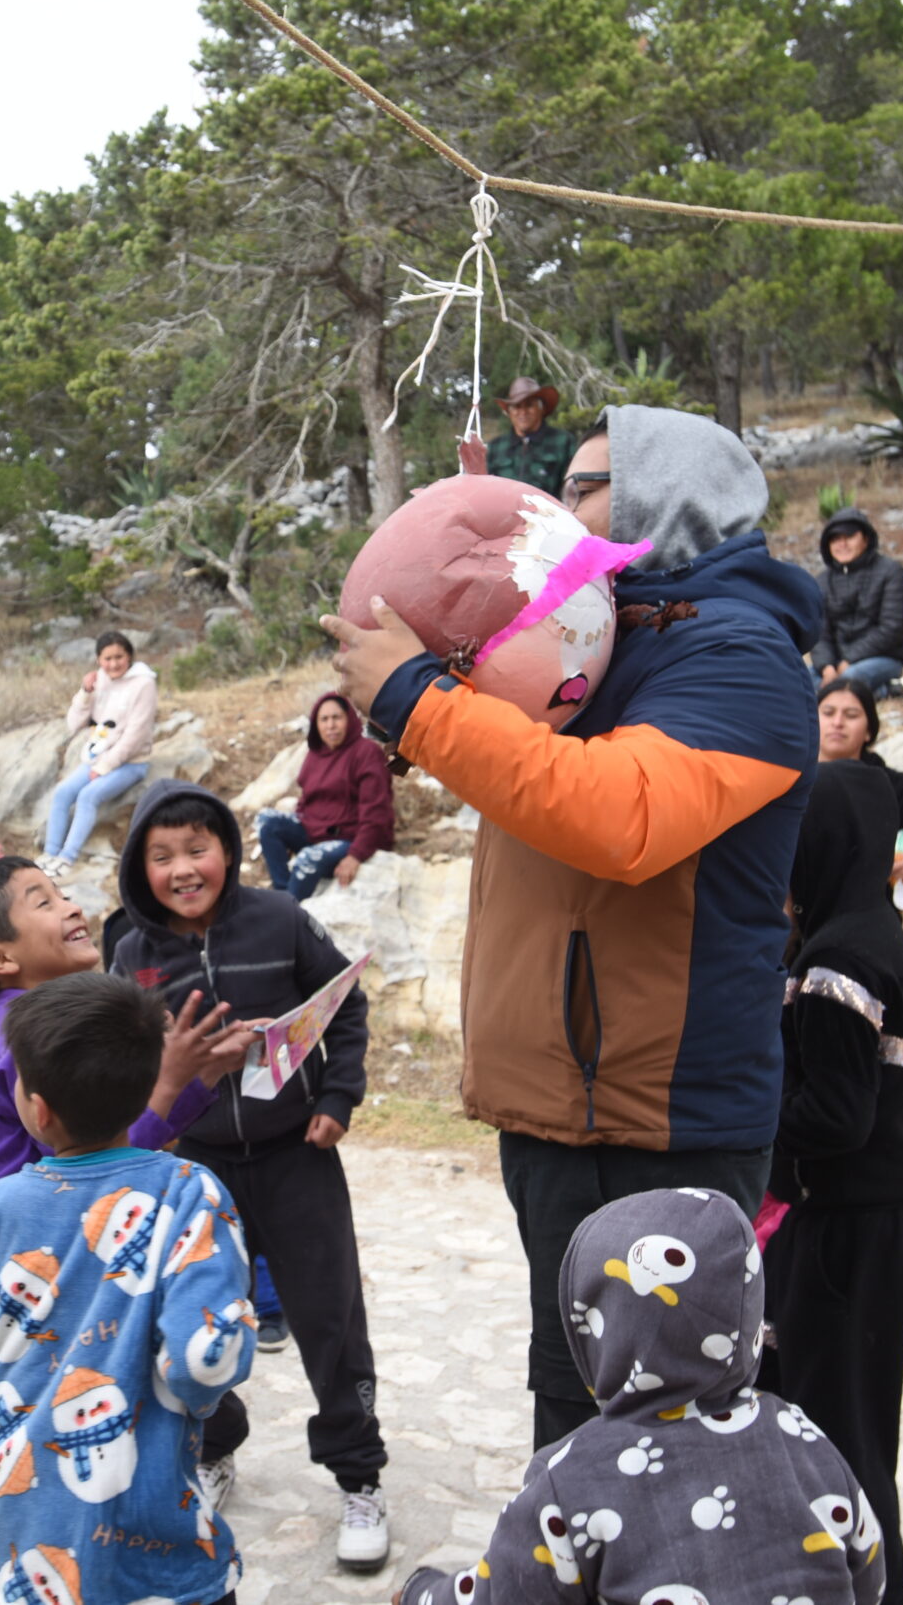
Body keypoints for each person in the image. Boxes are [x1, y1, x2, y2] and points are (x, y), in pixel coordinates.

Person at [323, 404, 821, 1451]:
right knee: (573, 1402)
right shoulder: (599, 641)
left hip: (654, 1114)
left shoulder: (741, 656)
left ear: (662, 502)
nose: (556, 506)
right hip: (564, 1106)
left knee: (658, 1431)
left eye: (586, 485)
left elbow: (621, 819)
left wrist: (417, 699)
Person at [110, 781, 391, 1570]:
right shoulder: (131, 955)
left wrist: (337, 1096)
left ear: (228, 851)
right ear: (141, 867)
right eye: (161, 856)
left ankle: (358, 1475)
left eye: (197, 848)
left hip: (296, 1154)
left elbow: (346, 1004)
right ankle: (214, 1447)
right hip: (195, 1169)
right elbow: (125, 1058)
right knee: (194, 1322)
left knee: (330, 1321)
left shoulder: (281, 921)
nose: (182, 868)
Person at [396, 1189, 884, 1605]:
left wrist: (423, 1591)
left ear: (596, 1329)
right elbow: (869, 1573)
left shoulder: (570, 1480)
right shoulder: (802, 1438)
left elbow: (504, 1592)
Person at [0, 973, 255, 1605]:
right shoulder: (189, 1190)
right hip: (155, 1547)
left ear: (36, 1108)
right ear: (147, 1087)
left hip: (23, 1541)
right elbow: (203, 1359)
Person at [765, 758, 903, 1605]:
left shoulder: (838, 960)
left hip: (847, 1222)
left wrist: (748, 1122)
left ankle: (876, 1588)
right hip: (884, 1212)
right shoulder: (874, 932)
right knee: (856, 1415)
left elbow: (836, 1117)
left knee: (838, 1428)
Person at [0, 855, 246, 1218]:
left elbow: (118, 1130)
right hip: (30, 1245)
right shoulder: (27, 1041)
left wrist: (200, 1074)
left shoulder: (60, 1019)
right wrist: (171, 1082)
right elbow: (93, 1166)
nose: (71, 908)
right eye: (44, 903)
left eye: (63, 894)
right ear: (0, 959)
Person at [814, 678, 903, 902]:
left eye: (851, 715)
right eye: (828, 713)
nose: (837, 722)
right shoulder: (788, 778)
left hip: (868, 916)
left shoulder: (893, 786)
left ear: (868, 731)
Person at [40, 632, 159, 877]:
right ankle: (50, 854)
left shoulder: (144, 684)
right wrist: (85, 692)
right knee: (62, 792)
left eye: (119, 657)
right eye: (107, 659)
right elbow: (74, 724)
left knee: (87, 796)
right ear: (98, 660)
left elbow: (135, 736)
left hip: (131, 762)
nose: (114, 664)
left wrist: (104, 767)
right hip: (97, 756)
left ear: (130, 657)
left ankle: (66, 858)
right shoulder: (99, 680)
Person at [254, 692, 394, 900]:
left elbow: (377, 813)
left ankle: (290, 915)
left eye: (337, 718)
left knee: (308, 859)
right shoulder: (315, 754)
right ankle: (283, 895)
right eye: (324, 719)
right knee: (266, 821)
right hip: (316, 831)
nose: (331, 725)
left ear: (350, 719)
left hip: (350, 838)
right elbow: (306, 800)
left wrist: (355, 856)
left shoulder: (367, 753)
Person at [810, 508, 903, 698]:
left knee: (848, 680)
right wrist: (826, 667)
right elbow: (820, 633)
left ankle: (882, 689)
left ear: (866, 539)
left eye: (849, 537)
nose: (842, 544)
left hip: (884, 657)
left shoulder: (891, 572)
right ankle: (887, 690)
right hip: (837, 663)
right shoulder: (821, 582)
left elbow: (891, 628)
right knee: (799, 680)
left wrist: (849, 660)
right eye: (835, 539)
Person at [485, 374, 574, 494]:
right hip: (503, 512)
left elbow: (573, 489)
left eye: (529, 405)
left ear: (541, 408)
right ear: (509, 412)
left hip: (549, 512)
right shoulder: (494, 447)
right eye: (517, 406)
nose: (523, 412)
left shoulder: (564, 442)